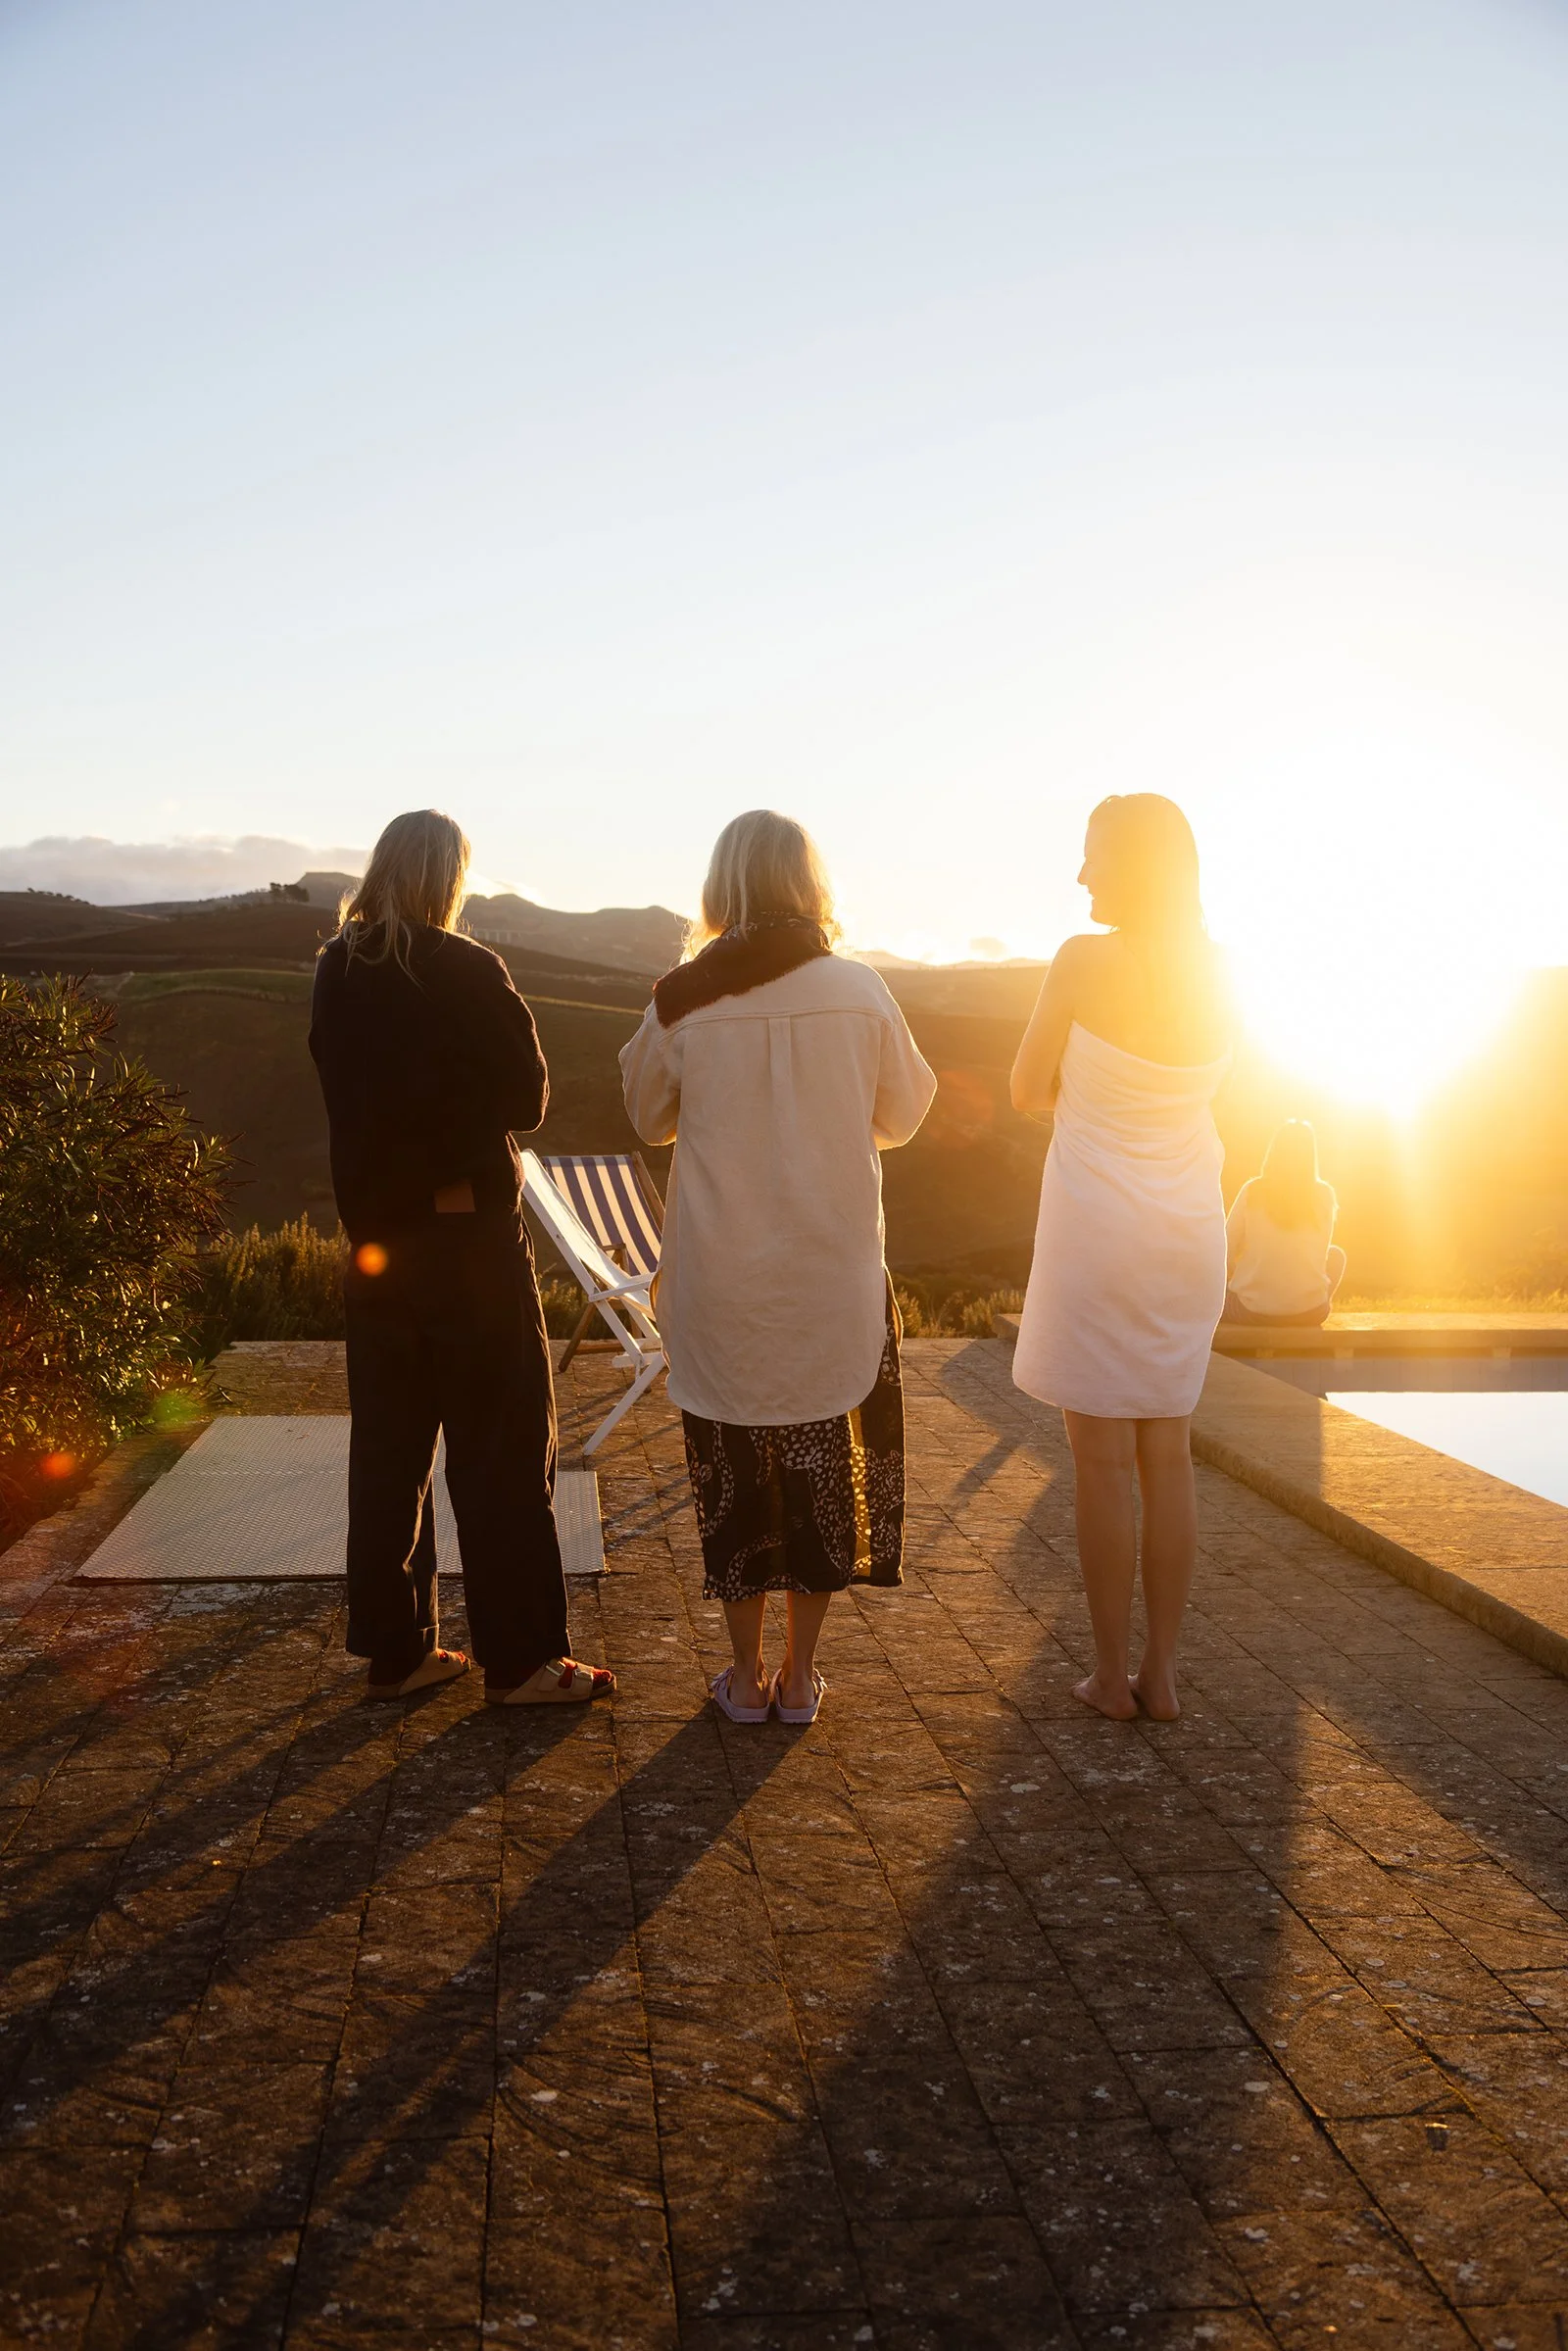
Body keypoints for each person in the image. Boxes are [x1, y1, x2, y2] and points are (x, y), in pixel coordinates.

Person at [619, 810, 936, 1725]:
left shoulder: (683, 996)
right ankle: (801, 1679)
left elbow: (648, 1117)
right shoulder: (860, 989)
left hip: (723, 1280)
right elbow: (906, 1113)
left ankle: (746, 1678)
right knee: (817, 1478)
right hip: (828, 1276)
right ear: (809, 884)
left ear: (722, 889)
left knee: (734, 1480)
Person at [309, 808, 613, 1707]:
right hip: (469, 1240)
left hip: (376, 1248)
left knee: (389, 1451)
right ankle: (520, 1663)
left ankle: (397, 1652)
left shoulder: (336, 971)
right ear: (450, 880)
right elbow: (530, 1097)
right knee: (504, 1449)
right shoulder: (469, 967)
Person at [1009, 795, 1231, 1723]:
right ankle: (1165, 1674)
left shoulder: (1082, 961)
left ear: (1131, 865)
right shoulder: (1219, 971)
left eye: (1094, 854)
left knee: (1099, 1459)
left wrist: (1084, 1099)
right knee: (1168, 1452)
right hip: (1188, 1229)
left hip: (1097, 1229)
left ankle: (1108, 1675)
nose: (1082, 873)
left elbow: (1024, 1090)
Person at [1221, 1120, 1345, 1326]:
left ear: (1274, 1151)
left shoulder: (1253, 1191)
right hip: (1311, 1313)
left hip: (1252, 1311)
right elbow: (1320, 1255)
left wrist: (1238, 1272)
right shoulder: (1325, 1195)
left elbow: (1224, 1248)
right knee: (1336, 1256)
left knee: (1212, 1297)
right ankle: (1308, 1302)